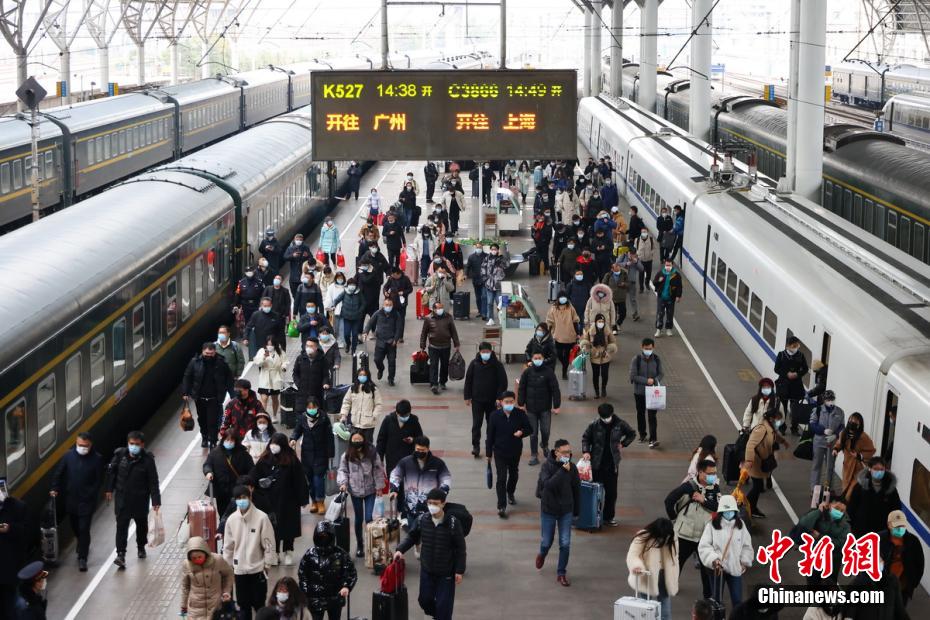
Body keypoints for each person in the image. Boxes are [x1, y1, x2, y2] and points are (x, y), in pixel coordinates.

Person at [393, 488, 466, 620]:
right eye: (430, 503)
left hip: (446, 574)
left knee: (444, 608)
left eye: (436, 503)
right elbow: (412, 536)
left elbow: (461, 548)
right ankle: (438, 615)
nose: (432, 506)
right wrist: (400, 549)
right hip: (427, 570)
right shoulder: (423, 519)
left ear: (443, 503)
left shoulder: (453, 523)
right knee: (424, 601)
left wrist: (459, 570)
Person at [664, 459, 720, 600]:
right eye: (710, 473)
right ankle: (671, 586)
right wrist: (674, 520)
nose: (713, 476)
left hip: (704, 537)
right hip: (685, 534)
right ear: (700, 472)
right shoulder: (687, 487)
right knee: (677, 562)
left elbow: (719, 508)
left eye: (714, 473)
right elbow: (669, 500)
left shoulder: (715, 488)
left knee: (706, 567)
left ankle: (708, 596)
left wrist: (704, 500)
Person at [106, 430, 161, 569]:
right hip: (122, 500)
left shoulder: (148, 460)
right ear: (128, 443)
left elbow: (153, 481)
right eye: (131, 443)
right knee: (121, 528)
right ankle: (121, 554)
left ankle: (141, 546)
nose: (134, 446)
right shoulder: (119, 456)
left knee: (141, 526)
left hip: (140, 499)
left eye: (137, 444)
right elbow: (112, 473)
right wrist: (109, 489)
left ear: (142, 445)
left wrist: (156, 501)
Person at [49, 432, 104, 572]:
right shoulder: (69, 456)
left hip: (87, 501)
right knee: (75, 527)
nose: (82, 448)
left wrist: (91, 494)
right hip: (71, 499)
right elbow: (59, 473)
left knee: (84, 528)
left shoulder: (97, 459)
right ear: (76, 442)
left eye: (85, 446)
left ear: (90, 445)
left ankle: (82, 558)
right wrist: (54, 488)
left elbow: (98, 480)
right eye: (80, 445)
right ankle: (81, 541)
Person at [252, 434, 309, 566]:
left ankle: (288, 551)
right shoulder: (264, 459)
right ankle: (275, 552)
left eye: (276, 444)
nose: (273, 446)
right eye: (272, 443)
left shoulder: (292, 460)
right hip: (269, 500)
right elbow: (254, 476)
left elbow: (300, 481)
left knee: (288, 527)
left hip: (289, 500)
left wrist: (303, 498)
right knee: (272, 527)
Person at [223, 485, 276, 620]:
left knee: (259, 606)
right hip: (239, 571)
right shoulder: (231, 520)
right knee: (243, 606)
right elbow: (228, 546)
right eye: (238, 498)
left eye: (244, 497)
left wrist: (267, 564)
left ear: (250, 497)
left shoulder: (262, 518)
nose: (242, 501)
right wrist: (228, 566)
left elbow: (269, 544)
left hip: (258, 571)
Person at [581, 403, 636, 527]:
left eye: (607, 417)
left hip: (612, 465)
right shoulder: (594, 425)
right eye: (603, 417)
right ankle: (594, 515)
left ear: (611, 414)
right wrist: (586, 452)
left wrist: (623, 444)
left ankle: (608, 517)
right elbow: (586, 438)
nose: (606, 419)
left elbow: (632, 433)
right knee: (595, 491)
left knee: (611, 493)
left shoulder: (620, 424)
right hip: (596, 463)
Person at [535, 439, 581, 587]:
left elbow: (576, 489)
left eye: (569, 451)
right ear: (556, 452)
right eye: (565, 452)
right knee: (547, 541)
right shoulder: (547, 467)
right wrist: (562, 471)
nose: (568, 454)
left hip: (566, 510)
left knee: (565, 543)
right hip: (549, 509)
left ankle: (561, 573)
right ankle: (542, 553)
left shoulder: (572, 468)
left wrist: (577, 511)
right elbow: (548, 485)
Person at [698, 495, 754, 609]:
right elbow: (704, 546)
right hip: (718, 569)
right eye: (726, 510)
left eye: (731, 510)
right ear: (721, 511)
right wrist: (714, 559)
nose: (729, 513)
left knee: (738, 601)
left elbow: (747, 546)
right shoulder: (712, 526)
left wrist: (744, 561)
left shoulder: (740, 525)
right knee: (717, 601)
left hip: (735, 568)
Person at [337, 432, 386, 557]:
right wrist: (343, 483)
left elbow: (378, 469)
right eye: (354, 440)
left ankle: (371, 544)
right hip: (355, 491)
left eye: (359, 439)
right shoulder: (347, 455)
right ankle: (360, 544)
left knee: (369, 518)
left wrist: (379, 487)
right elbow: (343, 470)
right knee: (359, 519)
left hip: (370, 490)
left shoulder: (372, 454)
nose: (357, 442)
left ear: (364, 440)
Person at [486, 391, 533, 519]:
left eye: (511, 401)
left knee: (513, 474)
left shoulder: (520, 414)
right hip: (499, 452)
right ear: (501, 403)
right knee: (501, 478)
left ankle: (510, 492)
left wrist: (521, 432)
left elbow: (530, 429)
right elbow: (489, 435)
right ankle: (501, 505)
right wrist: (488, 453)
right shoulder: (494, 416)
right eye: (506, 402)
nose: (509, 404)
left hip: (515, 450)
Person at [389, 436, 453, 529]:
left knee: (427, 534)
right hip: (411, 507)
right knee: (413, 534)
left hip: (430, 508)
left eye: (423, 450)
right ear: (415, 447)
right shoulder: (406, 462)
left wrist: (442, 492)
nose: (420, 452)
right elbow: (395, 474)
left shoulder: (438, 463)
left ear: (428, 448)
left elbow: (446, 478)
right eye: (418, 449)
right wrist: (394, 489)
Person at [299, 521, 357, 620]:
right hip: (315, 597)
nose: (323, 538)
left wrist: (346, 586)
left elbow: (351, 572)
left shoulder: (340, 554)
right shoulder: (309, 554)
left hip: (335, 596)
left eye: (326, 535)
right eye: (321, 535)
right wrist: (306, 591)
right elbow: (302, 574)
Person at [183, 342, 235, 449]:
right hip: (200, 398)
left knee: (213, 421)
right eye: (207, 353)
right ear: (202, 351)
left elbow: (229, 378)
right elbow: (187, 376)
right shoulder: (195, 362)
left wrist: (232, 394)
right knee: (202, 419)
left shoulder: (221, 363)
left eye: (211, 353)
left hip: (215, 398)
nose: (209, 356)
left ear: (215, 352)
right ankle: (204, 437)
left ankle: (213, 440)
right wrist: (185, 392)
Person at [626, 518, 680, 620]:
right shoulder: (643, 536)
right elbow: (633, 555)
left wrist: (674, 573)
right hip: (646, 576)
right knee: (643, 611)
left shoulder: (672, 537)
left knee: (665, 612)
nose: (663, 539)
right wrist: (637, 566)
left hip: (665, 576)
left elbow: (675, 557)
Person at [289, 397, 333, 515]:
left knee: (318, 479)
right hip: (307, 454)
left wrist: (330, 454)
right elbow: (297, 431)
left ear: (318, 407)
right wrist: (293, 439)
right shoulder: (302, 418)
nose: (311, 409)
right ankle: (313, 501)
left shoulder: (324, 418)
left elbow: (329, 437)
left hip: (320, 453)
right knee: (310, 480)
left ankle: (320, 502)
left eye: (313, 407)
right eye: (309, 407)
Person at [464, 342, 509, 458]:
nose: (485, 354)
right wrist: (467, 397)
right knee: (476, 424)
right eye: (483, 352)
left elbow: (503, 382)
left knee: (492, 424)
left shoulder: (497, 365)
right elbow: (468, 380)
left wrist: (499, 398)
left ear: (491, 352)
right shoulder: (474, 364)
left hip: (492, 401)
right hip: (477, 400)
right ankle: (476, 446)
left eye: (487, 352)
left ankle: (491, 444)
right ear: (479, 352)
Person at [518, 350, 562, 466]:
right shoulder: (527, 372)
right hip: (531, 409)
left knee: (545, 430)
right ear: (532, 359)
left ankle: (545, 444)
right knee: (533, 433)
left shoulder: (548, 372)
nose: (537, 360)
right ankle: (534, 455)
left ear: (543, 359)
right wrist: (521, 404)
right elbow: (522, 388)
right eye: (535, 358)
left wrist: (556, 406)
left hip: (545, 408)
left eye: (539, 358)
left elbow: (555, 389)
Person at [794, 499, 851, 584]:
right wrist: (818, 512)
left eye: (842, 510)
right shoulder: (819, 517)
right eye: (837, 508)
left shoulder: (845, 526)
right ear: (830, 506)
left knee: (828, 586)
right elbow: (804, 524)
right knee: (812, 583)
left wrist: (820, 537)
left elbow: (841, 543)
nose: (839, 511)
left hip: (832, 560)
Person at [204, 430, 255, 522]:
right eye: (227, 440)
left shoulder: (243, 454)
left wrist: (246, 482)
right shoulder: (215, 452)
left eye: (232, 440)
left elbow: (251, 470)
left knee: (237, 514)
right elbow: (208, 464)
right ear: (223, 440)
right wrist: (208, 472)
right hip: (221, 490)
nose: (229, 442)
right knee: (223, 514)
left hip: (237, 490)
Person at [744, 408, 787, 519]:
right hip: (755, 462)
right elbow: (750, 445)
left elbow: (774, 436)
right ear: (771, 418)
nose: (779, 422)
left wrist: (783, 441)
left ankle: (752, 508)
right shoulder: (761, 428)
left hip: (761, 461)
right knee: (757, 487)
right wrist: (748, 460)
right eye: (778, 419)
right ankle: (744, 507)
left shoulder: (770, 427)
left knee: (758, 487)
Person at [180, 536, 234, 620]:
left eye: (199, 557)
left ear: (205, 553)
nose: (197, 560)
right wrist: (183, 605)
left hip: (216, 605)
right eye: (194, 558)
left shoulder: (217, 560)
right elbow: (185, 586)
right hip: (195, 608)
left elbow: (228, 575)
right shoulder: (186, 565)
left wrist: (226, 591)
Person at [847, 456, 902, 538]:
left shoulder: (891, 490)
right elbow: (852, 507)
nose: (879, 472)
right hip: (861, 530)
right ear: (870, 469)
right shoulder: (860, 487)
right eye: (875, 469)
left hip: (881, 532)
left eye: (881, 469)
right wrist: (848, 525)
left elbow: (896, 510)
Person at [879, 510, 925, 606]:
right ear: (889, 525)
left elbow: (919, 564)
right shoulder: (879, 539)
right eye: (897, 526)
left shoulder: (913, 541)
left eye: (902, 526)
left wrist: (912, 583)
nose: (900, 529)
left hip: (902, 589)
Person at [419, 301, 460, 395]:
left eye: (441, 307)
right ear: (433, 309)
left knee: (445, 365)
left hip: (446, 346)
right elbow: (424, 333)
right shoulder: (428, 318)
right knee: (434, 365)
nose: (440, 310)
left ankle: (442, 382)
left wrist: (456, 344)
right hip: (433, 347)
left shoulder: (448, 317)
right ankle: (434, 384)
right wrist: (422, 346)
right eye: (438, 308)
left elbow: (453, 331)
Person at [833, 411, 876, 500]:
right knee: (845, 489)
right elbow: (839, 443)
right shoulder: (844, 433)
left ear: (860, 424)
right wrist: (836, 449)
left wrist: (859, 456)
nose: (852, 422)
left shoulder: (863, 437)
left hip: (858, 469)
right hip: (847, 467)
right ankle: (846, 509)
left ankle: (848, 507)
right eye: (851, 420)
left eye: (856, 421)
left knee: (851, 493)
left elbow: (871, 450)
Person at [630, 338, 664, 448]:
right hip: (639, 392)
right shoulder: (637, 359)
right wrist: (646, 381)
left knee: (652, 416)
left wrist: (654, 380)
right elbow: (633, 376)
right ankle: (642, 434)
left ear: (653, 348)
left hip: (652, 392)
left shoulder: (657, 359)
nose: (648, 350)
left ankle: (653, 439)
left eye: (650, 348)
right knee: (640, 413)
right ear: (642, 347)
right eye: (646, 348)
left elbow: (661, 374)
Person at [0, 481, 27, 618]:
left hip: (10, 570)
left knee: (14, 604)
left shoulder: (17, 507)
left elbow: (26, 531)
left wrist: (9, 529)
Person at [363, 297, 404, 386]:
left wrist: (396, 339)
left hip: (391, 342)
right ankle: (381, 369)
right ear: (383, 305)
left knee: (392, 361)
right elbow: (370, 323)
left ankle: (391, 378)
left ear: (392, 305)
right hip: (380, 341)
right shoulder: (378, 313)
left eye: (390, 305)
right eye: (386, 305)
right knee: (377, 359)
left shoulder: (396, 315)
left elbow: (399, 328)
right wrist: (365, 332)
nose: (388, 306)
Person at [809, 390, 846, 490]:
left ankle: (828, 489)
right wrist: (823, 430)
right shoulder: (817, 410)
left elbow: (842, 426)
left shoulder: (840, 412)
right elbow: (812, 425)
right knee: (817, 466)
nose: (831, 401)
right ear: (824, 400)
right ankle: (814, 489)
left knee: (830, 467)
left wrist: (836, 435)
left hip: (833, 444)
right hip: (819, 443)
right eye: (828, 399)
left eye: (832, 399)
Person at [377, 400, 424, 475]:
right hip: (392, 459)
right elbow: (381, 440)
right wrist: (379, 458)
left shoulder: (414, 421)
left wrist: (413, 440)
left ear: (409, 412)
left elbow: (421, 439)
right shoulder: (388, 421)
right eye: (400, 415)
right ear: (396, 412)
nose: (403, 418)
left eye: (405, 416)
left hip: (409, 459)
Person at [774, 336, 809, 433]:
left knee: (795, 409)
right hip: (783, 386)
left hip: (796, 386)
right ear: (788, 346)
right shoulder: (781, 355)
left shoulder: (801, 355)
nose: (796, 347)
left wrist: (797, 374)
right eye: (794, 345)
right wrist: (786, 374)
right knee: (782, 408)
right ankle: (782, 427)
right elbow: (776, 369)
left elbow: (805, 368)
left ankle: (794, 428)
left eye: (797, 345)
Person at [339, 368, 382, 444]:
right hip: (355, 423)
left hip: (368, 425)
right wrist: (344, 415)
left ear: (368, 376)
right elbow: (346, 402)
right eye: (360, 375)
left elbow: (378, 404)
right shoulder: (352, 388)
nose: (362, 377)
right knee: (355, 444)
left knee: (367, 445)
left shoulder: (373, 389)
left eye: (364, 375)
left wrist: (374, 416)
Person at [580, 313, 618, 399]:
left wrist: (609, 349)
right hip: (595, 355)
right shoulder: (591, 331)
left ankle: (603, 388)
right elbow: (585, 340)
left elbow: (613, 341)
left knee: (605, 374)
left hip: (605, 355)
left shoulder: (607, 331)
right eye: (599, 321)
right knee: (595, 374)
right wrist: (589, 348)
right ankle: (596, 391)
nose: (601, 323)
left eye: (602, 321)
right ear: (596, 322)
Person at [292, 339, 331, 420]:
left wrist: (325, 383)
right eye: (307, 346)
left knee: (317, 419)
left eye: (311, 346)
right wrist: (298, 384)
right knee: (301, 419)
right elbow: (295, 373)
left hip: (317, 395)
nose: (308, 348)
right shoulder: (300, 359)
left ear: (316, 347)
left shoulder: (322, 360)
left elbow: (326, 375)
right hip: (302, 395)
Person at [546, 294, 580, 379]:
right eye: (561, 297)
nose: (563, 299)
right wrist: (548, 333)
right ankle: (565, 365)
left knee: (568, 354)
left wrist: (577, 333)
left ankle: (564, 371)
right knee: (559, 354)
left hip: (570, 336)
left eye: (564, 297)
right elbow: (549, 321)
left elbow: (575, 321)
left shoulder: (571, 308)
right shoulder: (553, 309)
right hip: (558, 336)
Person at [254, 338, 286, 420]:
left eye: (271, 344)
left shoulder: (279, 351)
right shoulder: (262, 351)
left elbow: (285, 361)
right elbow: (257, 363)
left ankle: (274, 415)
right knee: (264, 398)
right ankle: (263, 416)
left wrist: (283, 367)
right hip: (265, 377)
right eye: (268, 344)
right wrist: (264, 357)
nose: (270, 346)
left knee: (275, 398)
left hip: (275, 377)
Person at [333, 278, 366, 354]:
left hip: (356, 318)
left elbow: (363, 303)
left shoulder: (359, 293)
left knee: (355, 335)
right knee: (346, 334)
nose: (352, 286)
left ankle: (353, 350)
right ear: (347, 285)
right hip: (346, 317)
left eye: (353, 284)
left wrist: (359, 311)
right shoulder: (345, 292)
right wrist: (334, 305)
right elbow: (337, 299)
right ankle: (348, 344)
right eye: (350, 284)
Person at [653, 259, 682, 337]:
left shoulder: (676, 275)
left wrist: (678, 296)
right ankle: (658, 329)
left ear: (672, 265)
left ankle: (668, 329)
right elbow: (654, 282)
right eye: (666, 265)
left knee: (670, 313)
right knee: (660, 313)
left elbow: (679, 286)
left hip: (671, 298)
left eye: (669, 265)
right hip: (661, 297)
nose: (667, 267)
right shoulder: (661, 273)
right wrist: (659, 281)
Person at [480, 243, 507, 326]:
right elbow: (483, 268)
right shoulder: (487, 258)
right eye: (492, 249)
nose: (493, 251)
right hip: (489, 285)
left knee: (500, 303)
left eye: (495, 249)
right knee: (489, 302)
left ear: (498, 250)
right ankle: (490, 318)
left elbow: (506, 266)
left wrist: (504, 256)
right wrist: (485, 279)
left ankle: (502, 318)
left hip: (498, 285)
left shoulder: (501, 259)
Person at [601, 262, 629, 333]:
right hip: (612, 298)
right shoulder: (608, 275)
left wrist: (624, 284)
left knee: (623, 313)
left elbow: (629, 284)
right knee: (613, 314)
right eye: (616, 267)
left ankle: (618, 323)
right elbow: (603, 285)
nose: (618, 268)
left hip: (621, 298)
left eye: (618, 266)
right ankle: (614, 328)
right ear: (612, 269)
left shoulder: (624, 274)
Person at [284, 234, 313, 301]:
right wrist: (292, 256)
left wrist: (307, 256)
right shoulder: (290, 248)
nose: (299, 241)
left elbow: (311, 259)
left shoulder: (306, 247)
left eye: (300, 240)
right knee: (295, 295)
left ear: (302, 240)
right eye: (297, 239)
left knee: (304, 295)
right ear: (294, 240)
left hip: (303, 275)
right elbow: (285, 257)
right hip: (293, 276)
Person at [622, 250, 645, 321]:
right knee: (621, 298)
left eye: (633, 255)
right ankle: (620, 313)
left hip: (632, 281)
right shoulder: (623, 256)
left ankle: (635, 314)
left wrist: (636, 262)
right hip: (622, 281)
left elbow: (642, 269)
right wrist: (626, 263)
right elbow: (617, 263)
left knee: (633, 299)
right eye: (630, 254)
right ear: (628, 253)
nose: (631, 256)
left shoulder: (636, 259)